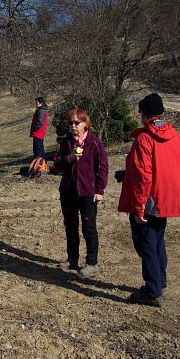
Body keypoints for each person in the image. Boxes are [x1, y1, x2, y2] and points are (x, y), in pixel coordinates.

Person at [117, 93, 180, 308]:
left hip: (148, 200)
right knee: (158, 242)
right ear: (161, 113)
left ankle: (152, 291)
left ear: (143, 114)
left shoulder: (144, 139)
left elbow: (144, 175)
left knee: (147, 245)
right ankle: (160, 283)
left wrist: (138, 206)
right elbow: (177, 167)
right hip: (165, 199)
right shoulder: (175, 137)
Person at [53, 108, 108, 277]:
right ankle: (72, 259)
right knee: (70, 226)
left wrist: (99, 190)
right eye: (70, 123)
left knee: (88, 227)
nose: (73, 126)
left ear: (85, 124)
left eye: (77, 122)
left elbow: (102, 167)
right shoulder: (66, 143)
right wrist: (69, 158)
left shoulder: (94, 143)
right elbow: (57, 165)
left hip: (87, 192)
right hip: (68, 191)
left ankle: (91, 262)